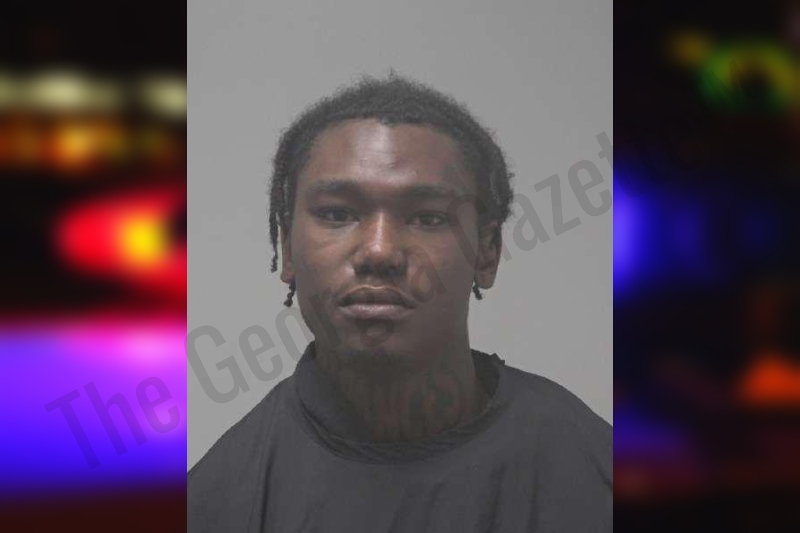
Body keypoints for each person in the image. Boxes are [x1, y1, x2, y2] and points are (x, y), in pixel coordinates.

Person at [188, 74, 612, 532]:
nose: (379, 251)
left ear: (486, 253)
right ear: (287, 249)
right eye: (337, 213)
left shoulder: (593, 469)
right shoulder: (215, 501)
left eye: (428, 218)